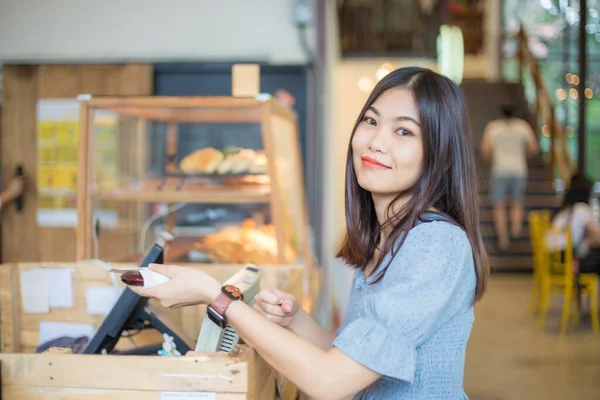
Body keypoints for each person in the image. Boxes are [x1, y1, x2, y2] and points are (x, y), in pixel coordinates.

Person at [130, 67, 489, 399]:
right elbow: (357, 357)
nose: (375, 142)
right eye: (370, 121)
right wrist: (295, 321)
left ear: (439, 155)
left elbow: (331, 381)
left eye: (404, 131)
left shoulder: (435, 244)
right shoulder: (392, 237)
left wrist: (214, 296)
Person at [481, 105, 538, 251]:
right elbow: (533, 148)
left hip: (499, 170)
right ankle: (516, 230)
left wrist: (491, 159)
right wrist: (523, 154)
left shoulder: (493, 127)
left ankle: (503, 239)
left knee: (499, 205)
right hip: (519, 169)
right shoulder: (523, 126)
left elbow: (485, 151)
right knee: (517, 202)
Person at [547, 172, 600, 274]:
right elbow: (597, 235)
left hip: (553, 256)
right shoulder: (582, 209)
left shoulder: (566, 209)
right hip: (566, 259)